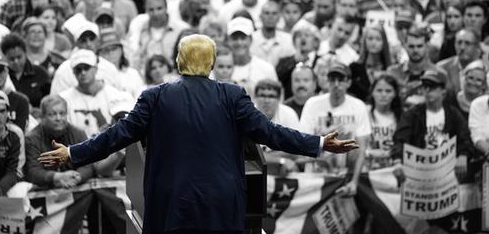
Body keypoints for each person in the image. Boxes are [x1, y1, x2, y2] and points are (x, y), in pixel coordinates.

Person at [38, 34, 358, 233]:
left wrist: (73, 152)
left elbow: (117, 135)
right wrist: (318, 143)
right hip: (221, 204)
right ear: (213, 62)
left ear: (179, 61)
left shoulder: (155, 96)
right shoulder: (232, 95)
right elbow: (270, 133)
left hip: (170, 204)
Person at [299, 62, 370, 195]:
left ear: (349, 82)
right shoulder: (312, 104)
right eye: (332, 79)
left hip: (345, 173)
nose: (336, 84)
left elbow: (362, 149)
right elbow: (303, 143)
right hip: (317, 174)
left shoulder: (358, 106)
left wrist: (354, 182)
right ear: (327, 81)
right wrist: (324, 136)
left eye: (341, 80)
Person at [392, 69, 473, 183]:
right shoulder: (412, 114)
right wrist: (397, 161)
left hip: (445, 175)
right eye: (425, 86)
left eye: (433, 87)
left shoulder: (453, 114)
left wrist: (463, 155)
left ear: (443, 90)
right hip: (419, 173)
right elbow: (400, 139)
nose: (428, 90)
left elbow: (465, 138)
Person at [25, 95, 97, 189]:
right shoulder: (31, 139)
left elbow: (88, 165)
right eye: (52, 114)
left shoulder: (78, 134)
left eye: (62, 113)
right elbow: (33, 171)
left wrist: (77, 177)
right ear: (43, 117)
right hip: (44, 191)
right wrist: (56, 177)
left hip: (75, 187)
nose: (58, 118)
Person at [60, 49, 135, 138]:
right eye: (78, 69)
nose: (83, 72)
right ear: (73, 72)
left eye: (86, 68)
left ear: (95, 68)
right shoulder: (64, 99)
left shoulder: (117, 95)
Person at [0, 33, 51, 114]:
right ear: (4, 57)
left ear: (25, 53)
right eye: (11, 59)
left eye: (19, 57)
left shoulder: (40, 73)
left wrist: (37, 111)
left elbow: (50, 102)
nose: (16, 62)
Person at [365, 74, 402, 169]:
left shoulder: (402, 116)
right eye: (379, 90)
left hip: (393, 168)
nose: (383, 94)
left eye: (388, 91)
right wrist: (369, 152)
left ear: (395, 93)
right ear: (372, 92)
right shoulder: (363, 113)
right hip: (367, 168)